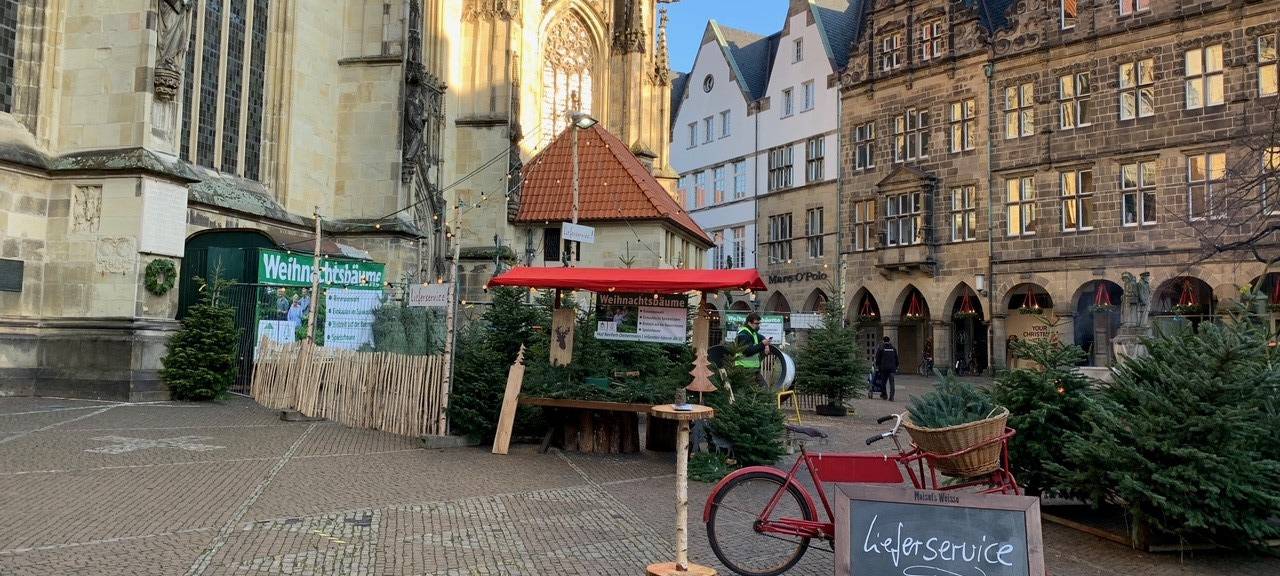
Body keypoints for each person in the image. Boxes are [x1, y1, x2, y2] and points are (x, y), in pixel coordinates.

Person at [872, 336, 899, 401]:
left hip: (883, 368)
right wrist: (896, 366)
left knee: (883, 382)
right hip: (892, 368)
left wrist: (877, 366)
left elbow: (877, 358)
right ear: (889, 341)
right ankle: (892, 397)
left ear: (883, 341)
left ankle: (884, 395)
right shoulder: (893, 348)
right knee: (892, 383)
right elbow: (896, 358)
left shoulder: (881, 348)